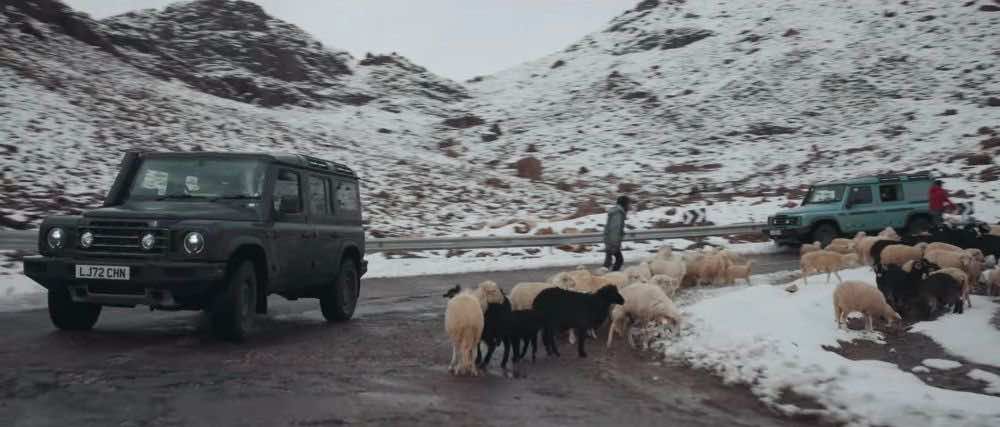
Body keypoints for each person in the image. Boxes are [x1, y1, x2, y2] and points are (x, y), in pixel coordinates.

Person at [603, 196, 630, 272]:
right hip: (612, 242)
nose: (629, 206)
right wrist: (615, 244)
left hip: (610, 241)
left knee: (609, 262)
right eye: (628, 204)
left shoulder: (617, 212)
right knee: (619, 260)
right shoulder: (618, 213)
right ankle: (611, 278)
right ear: (624, 204)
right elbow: (615, 229)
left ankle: (606, 277)